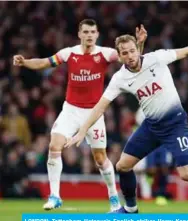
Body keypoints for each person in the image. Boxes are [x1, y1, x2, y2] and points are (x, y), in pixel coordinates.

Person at [65, 34, 188, 213]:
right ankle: (131, 208)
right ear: (120, 56)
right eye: (125, 53)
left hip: (175, 124)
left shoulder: (156, 58)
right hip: (151, 127)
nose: (130, 55)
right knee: (123, 166)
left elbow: (186, 52)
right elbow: (100, 106)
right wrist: (82, 130)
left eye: (132, 50)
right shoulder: (120, 78)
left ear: (138, 49)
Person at [12, 19, 147, 212]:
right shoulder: (70, 53)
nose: (89, 35)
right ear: (80, 34)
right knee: (54, 145)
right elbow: (44, 62)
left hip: (94, 113)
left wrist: (139, 43)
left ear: (97, 34)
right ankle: (55, 196)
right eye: (86, 32)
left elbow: (131, 59)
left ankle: (113, 198)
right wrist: (25, 62)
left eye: (93, 32)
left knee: (100, 159)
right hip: (71, 110)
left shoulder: (105, 53)